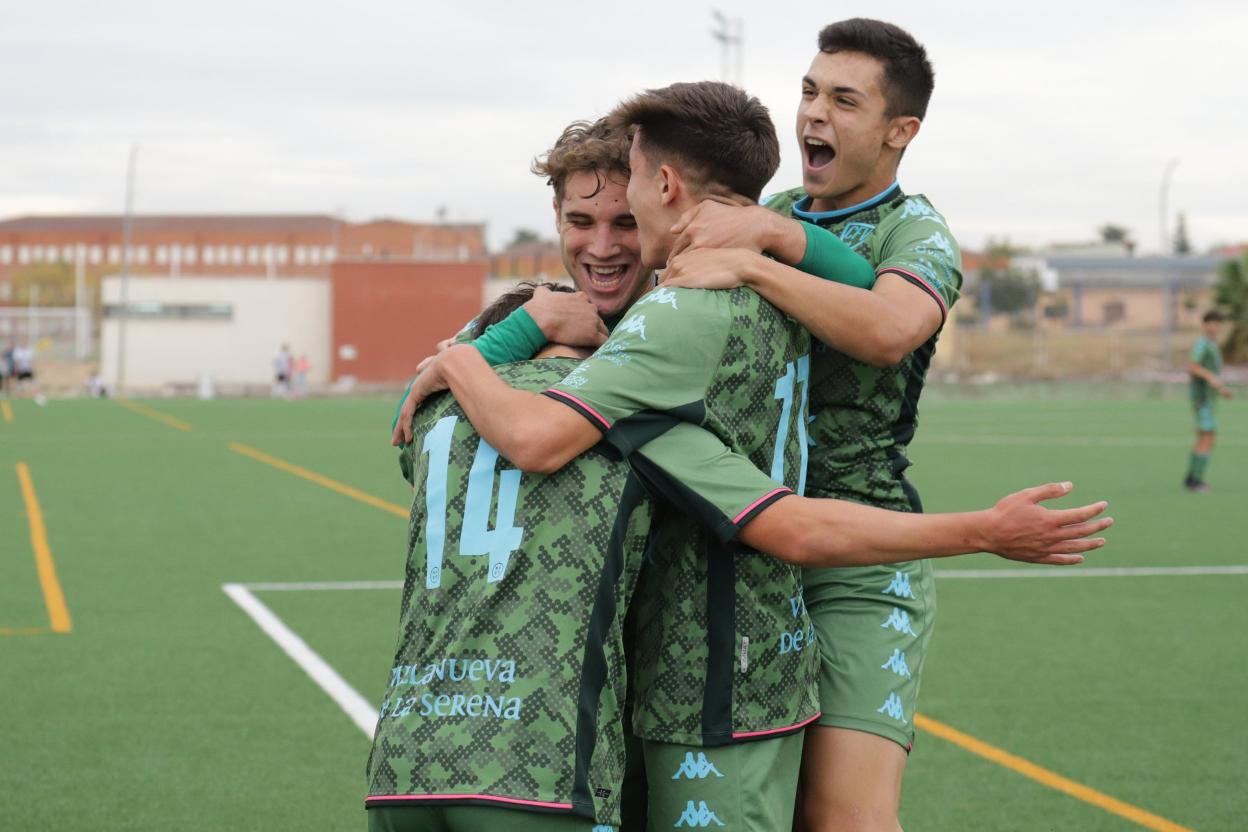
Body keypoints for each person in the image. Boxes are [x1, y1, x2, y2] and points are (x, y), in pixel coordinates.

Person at [368, 283, 1110, 832]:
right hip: (532, 771)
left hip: (403, 761)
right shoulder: (626, 419)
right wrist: (983, 529)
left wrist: (475, 354)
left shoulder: (442, 417)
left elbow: (418, 399)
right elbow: (798, 530)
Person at [660, 20, 962, 829]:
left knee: (844, 818)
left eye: (843, 99)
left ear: (900, 131)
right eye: (807, 91)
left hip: (862, 555)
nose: (812, 115)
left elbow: (889, 328)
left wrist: (764, 253)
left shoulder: (916, 232)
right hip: (751, 554)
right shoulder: (772, 210)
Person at [1185, 310, 1233, 492]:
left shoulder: (1213, 345)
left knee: (1206, 437)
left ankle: (1191, 477)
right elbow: (1192, 366)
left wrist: (1221, 389)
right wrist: (1211, 377)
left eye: (1218, 323)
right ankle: (1195, 481)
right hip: (1202, 400)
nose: (1216, 327)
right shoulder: (1202, 344)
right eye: (1212, 323)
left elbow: (1212, 375)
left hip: (1209, 400)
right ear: (1205, 325)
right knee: (1207, 436)